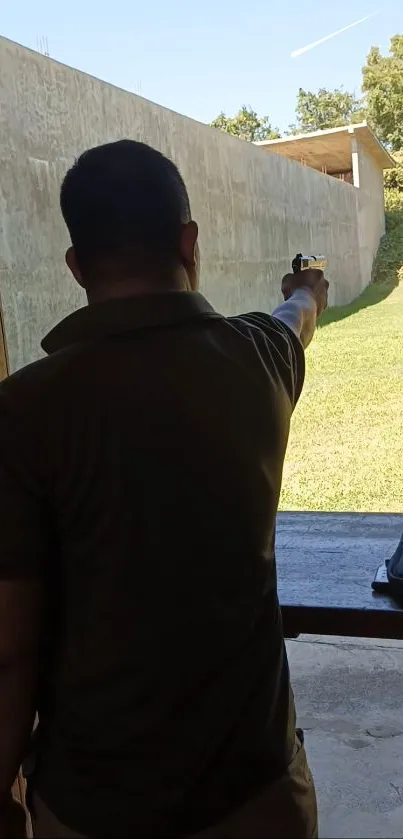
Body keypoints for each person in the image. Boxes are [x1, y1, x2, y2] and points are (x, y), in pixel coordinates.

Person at [0, 139, 328, 839]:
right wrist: (306, 290)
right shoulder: (260, 359)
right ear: (188, 243)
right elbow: (292, 320)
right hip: (259, 792)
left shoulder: (20, 411)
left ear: (76, 264)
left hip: (95, 805)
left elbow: (10, 647)